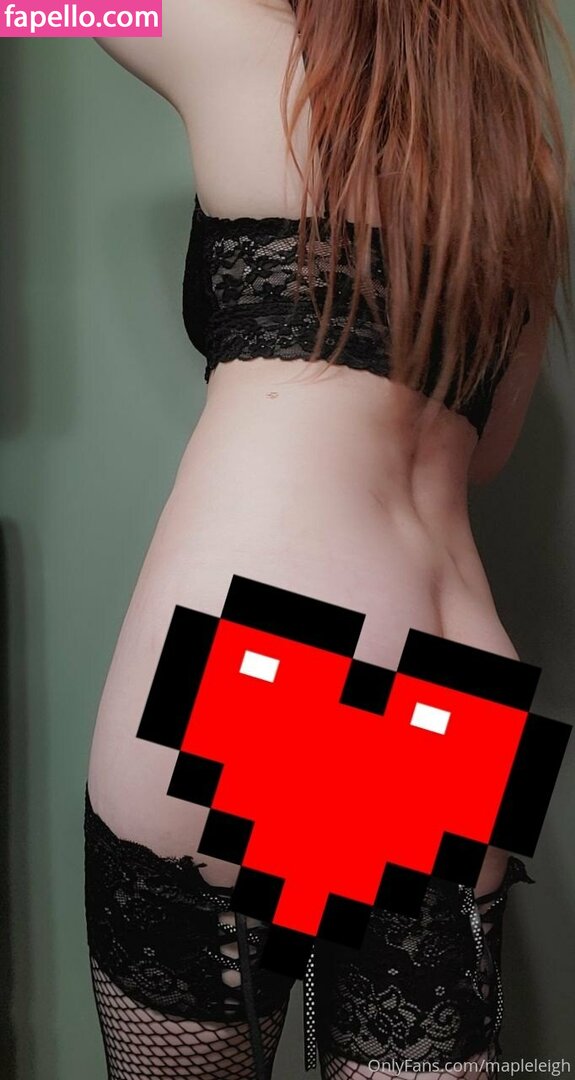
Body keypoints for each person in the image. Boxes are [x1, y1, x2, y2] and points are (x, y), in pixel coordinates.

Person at [83, 1, 574, 1078]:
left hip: (258, 654)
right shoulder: (517, 172)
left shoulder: (241, 47)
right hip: (448, 685)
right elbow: (486, 455)